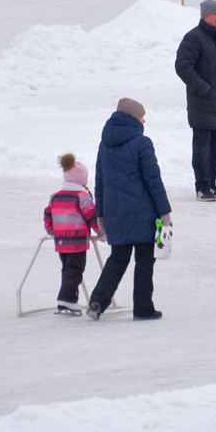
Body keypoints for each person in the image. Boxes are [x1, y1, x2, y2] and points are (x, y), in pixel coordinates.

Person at [86, 98, 172, 321]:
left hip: (116, 215)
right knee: (144, 261)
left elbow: (100, 182)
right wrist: (165, 212)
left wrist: (101, 215)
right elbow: (154, 180)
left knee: (118, 259)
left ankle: (97, 302)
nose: (144, 120)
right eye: (142, 116)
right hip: (144, 214)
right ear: (133, 118)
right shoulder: (142, 143)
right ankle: (143, 308)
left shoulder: (105, 144)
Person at [175, 0, 216, 201]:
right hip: (202, 105)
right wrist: (204, 89)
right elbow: (183, 66)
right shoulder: (193, 38)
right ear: (204, 15)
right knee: (202, 148)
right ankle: (201, 186)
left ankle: (212, 183)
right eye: (215, 13)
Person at [44, 153, 101, 315]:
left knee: (67, 269)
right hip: (77, 241)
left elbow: (48, 215)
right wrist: (101, 231)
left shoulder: (55, 197)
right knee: (75, 270)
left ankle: (68, 300)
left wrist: (51, 231)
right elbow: (91, 216)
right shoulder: (82, 197)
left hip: (61, 241)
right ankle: (67, 299)